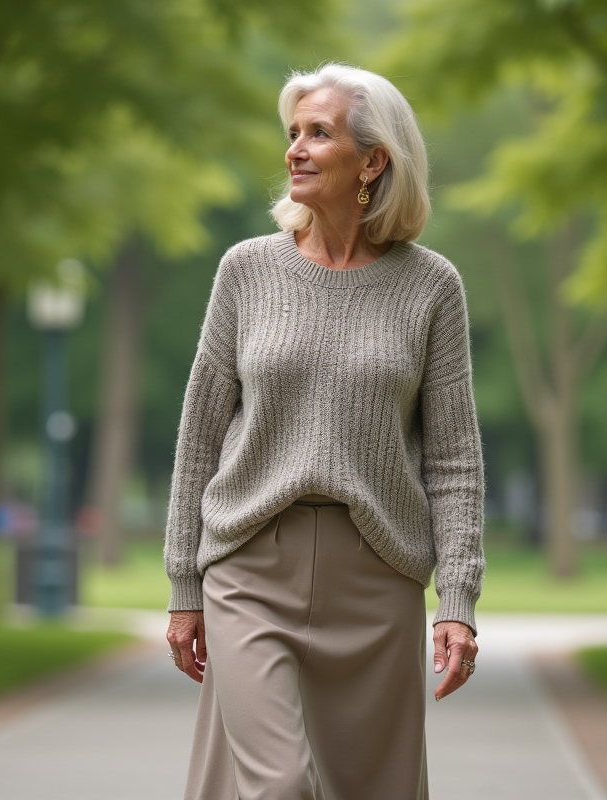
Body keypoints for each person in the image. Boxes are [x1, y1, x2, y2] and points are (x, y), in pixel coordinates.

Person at [163, 62, 486, 800]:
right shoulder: (246, 270)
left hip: (376, 580)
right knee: (279, 786)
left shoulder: (433, 287)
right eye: (292, 133)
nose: (295, 150)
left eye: (319, 133)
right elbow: (199, 436)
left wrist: (458, 602)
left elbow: (455, 458)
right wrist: (185, 585)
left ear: (374, 161)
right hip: (250, 569)